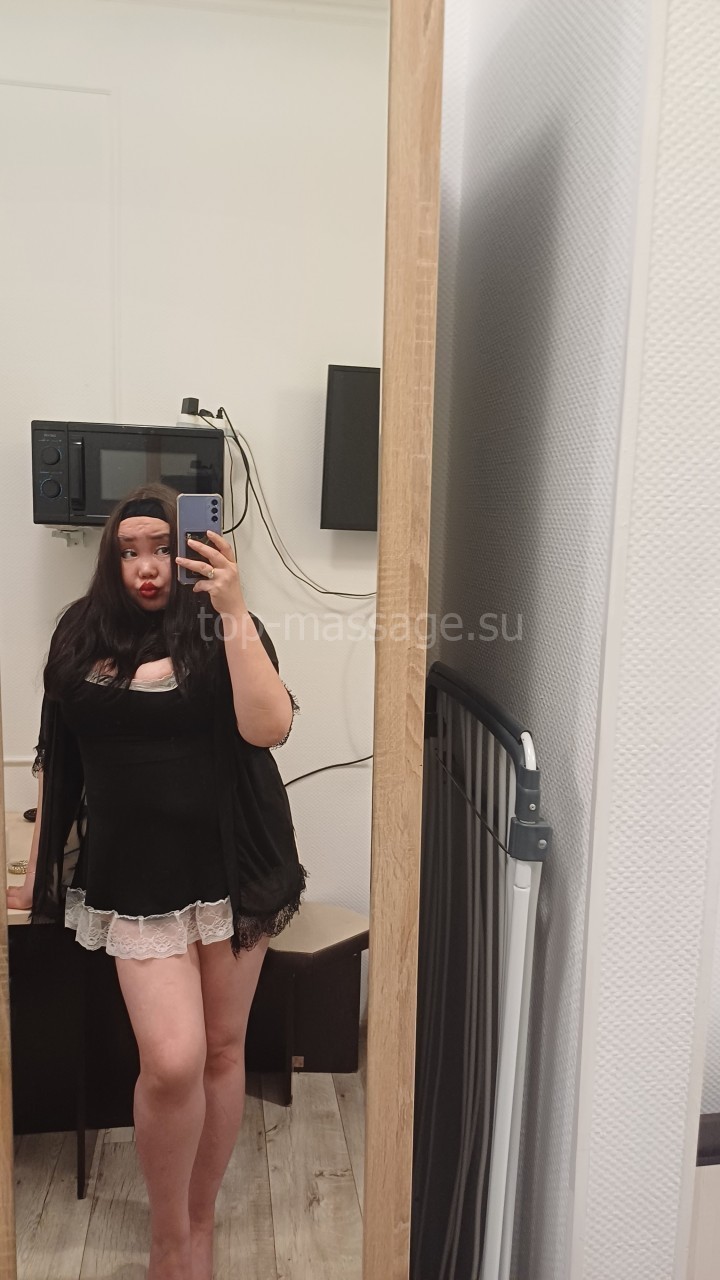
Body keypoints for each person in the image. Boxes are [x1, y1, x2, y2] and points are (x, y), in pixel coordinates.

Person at [6, 481, 307, 1280]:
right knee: (172, 1061)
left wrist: (233, 608)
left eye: (161, 549)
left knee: (221, 1050)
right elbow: (59, 759)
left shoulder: (221, 626)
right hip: (134, 880)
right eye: (129, 551)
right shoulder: (80, 632)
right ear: (109, 559)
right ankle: (168, 1234)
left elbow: (269, 726)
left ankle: (196, 1229)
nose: (146, 566)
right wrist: (36, 873)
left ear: (186, 552)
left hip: (235, 869)